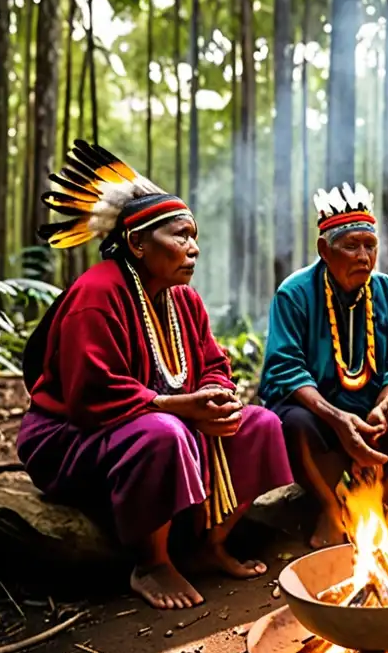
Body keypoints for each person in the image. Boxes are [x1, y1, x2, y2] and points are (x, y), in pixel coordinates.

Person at [17, 141, 294, 610]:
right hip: (70, 437)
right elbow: (91, 394)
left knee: (261, 424)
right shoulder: (96, 292)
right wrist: (178, 407)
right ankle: (151, 562)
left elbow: (212, 364)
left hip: (162, 423)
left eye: (195, 236)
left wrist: (216, 396)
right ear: (138, 243)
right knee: (163, 434)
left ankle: (208, 545)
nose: (194, 248)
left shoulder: (183, 298)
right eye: (181, 236)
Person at [259, 182, 388, 548]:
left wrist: (383, 408)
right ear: (324, 250)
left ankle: (376, 507)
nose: (363, 256)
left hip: (375, 419)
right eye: (351, 246)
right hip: (318, 419)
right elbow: (285, 368)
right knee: (289, 420)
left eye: (370, 245)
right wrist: (338, 419)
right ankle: (330, 509)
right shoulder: (294, 293)